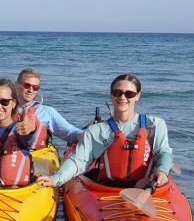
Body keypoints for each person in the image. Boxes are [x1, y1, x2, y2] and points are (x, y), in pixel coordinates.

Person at [37, 74, 173, 189]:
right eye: (117, 92)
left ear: (137, 96)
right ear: (111, 95)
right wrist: (55, 179)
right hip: (108, 187)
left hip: (146, 186)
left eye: (129, 93)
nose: (122, 97)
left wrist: (162, 171)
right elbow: (79, 160)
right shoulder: (97, 131)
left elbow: (162, 152)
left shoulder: (155, 124)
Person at [14, 67, 82, 148]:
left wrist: (90, 135)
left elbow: (70, 133)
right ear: (16, 85)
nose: (31, 90)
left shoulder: (47, 112)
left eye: (35, 87)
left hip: (37, 155)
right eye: (27, 85)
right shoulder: (4, 108)